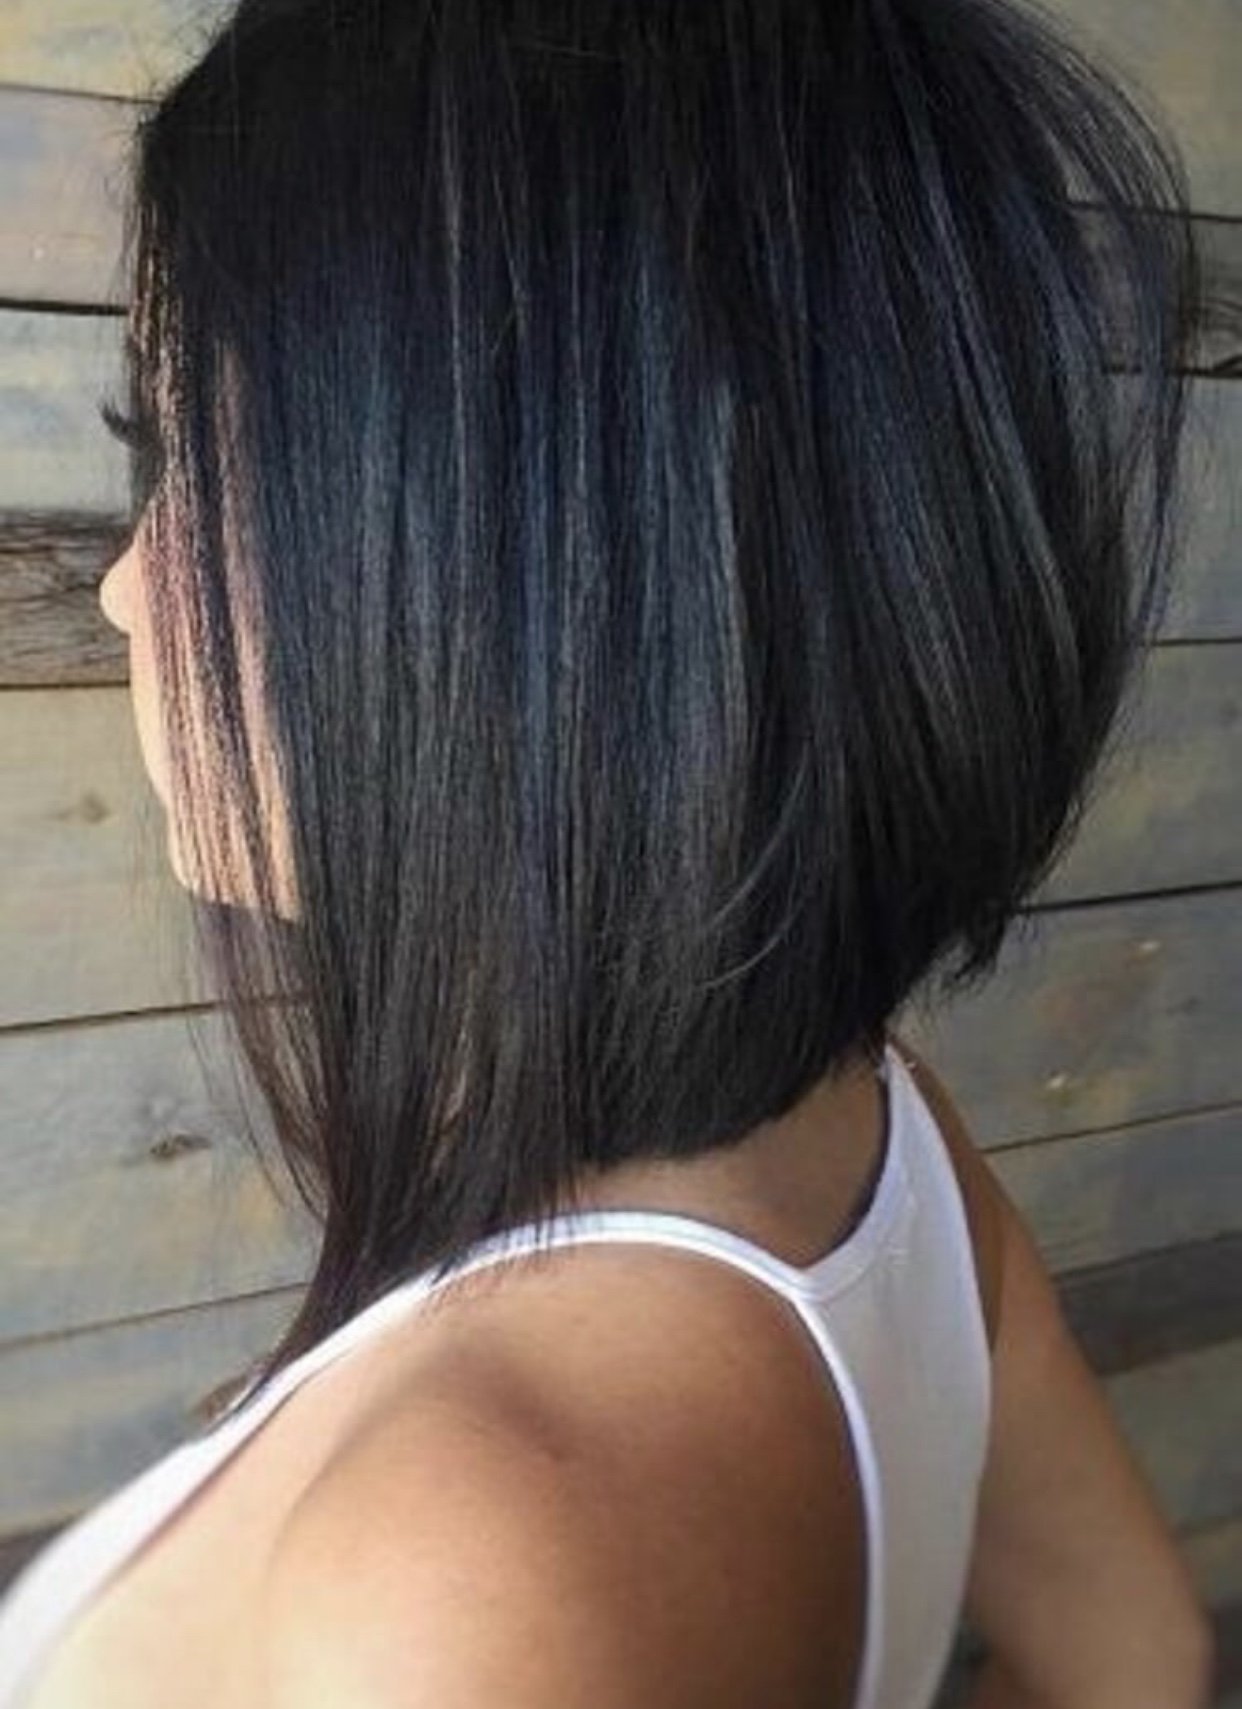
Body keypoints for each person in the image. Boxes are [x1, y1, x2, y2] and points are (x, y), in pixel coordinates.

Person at [0, 1, 1215, 1705]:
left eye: (194, 460)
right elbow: (1137, 1655)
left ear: (539, 570)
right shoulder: (873, 1135)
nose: (129, 587)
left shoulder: (459, 1578)